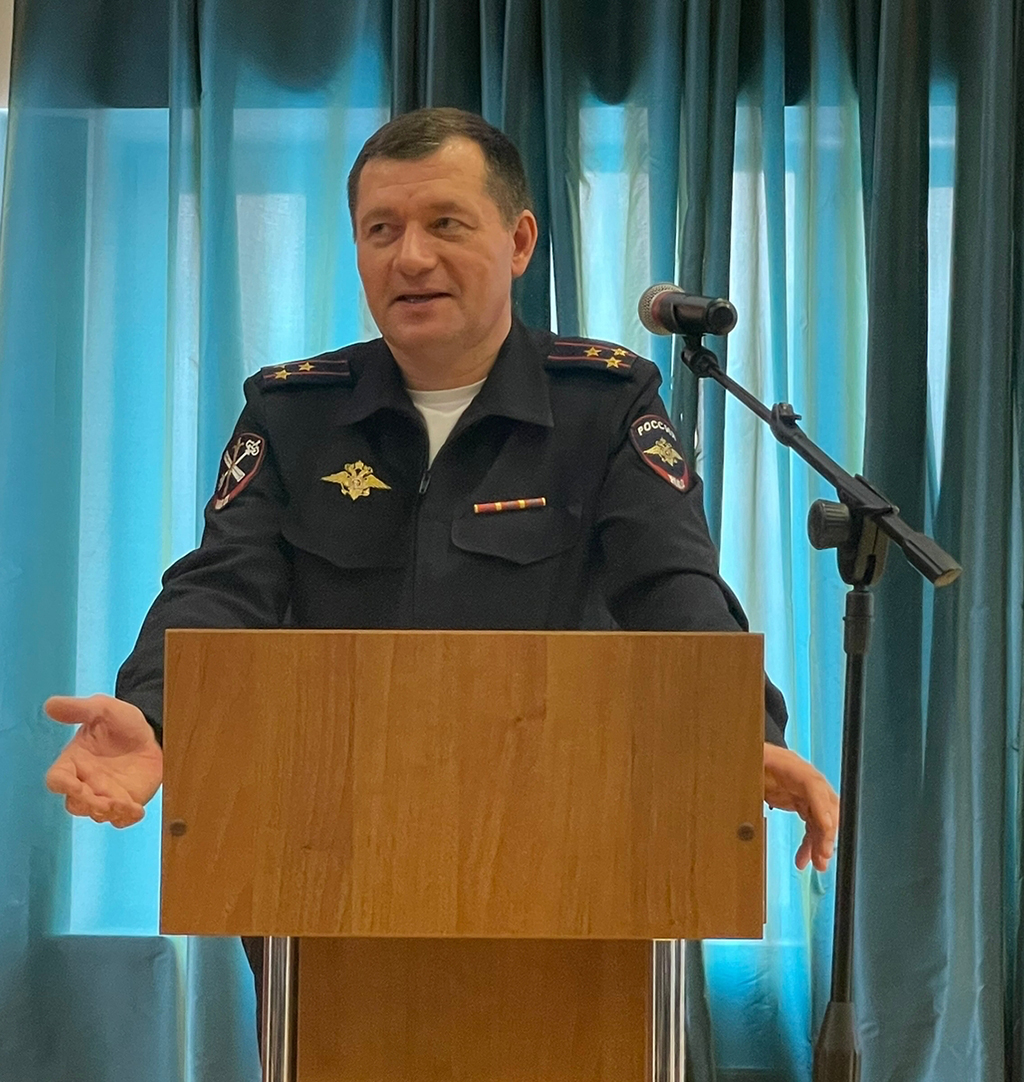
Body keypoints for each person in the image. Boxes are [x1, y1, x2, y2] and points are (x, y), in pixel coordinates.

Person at [43, 107, 838, 1029]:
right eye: (381, 230)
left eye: (445, 224)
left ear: (519, 241)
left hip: (568, 853)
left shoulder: (603, 404)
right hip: (326, 855)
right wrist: (152, 715)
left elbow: (673, 586)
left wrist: (739, 734)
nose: (410, 257)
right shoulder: (296, 414)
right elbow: (223, 585)